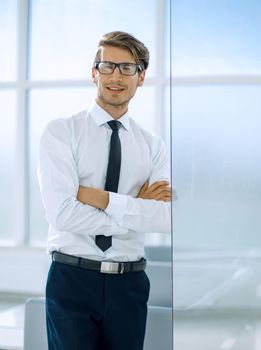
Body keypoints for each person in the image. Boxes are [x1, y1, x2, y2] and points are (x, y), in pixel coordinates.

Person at [38, 31, 171, 350]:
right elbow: (63, 214)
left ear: (141, 78)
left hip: (130, 283)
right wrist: (134, 208)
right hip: (72, 277)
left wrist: (101, 199)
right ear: (93, 72)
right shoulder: (61, 132)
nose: (116, 75)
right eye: (108, 65)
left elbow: (165, 218)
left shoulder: (153, 146)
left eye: (127, 68)